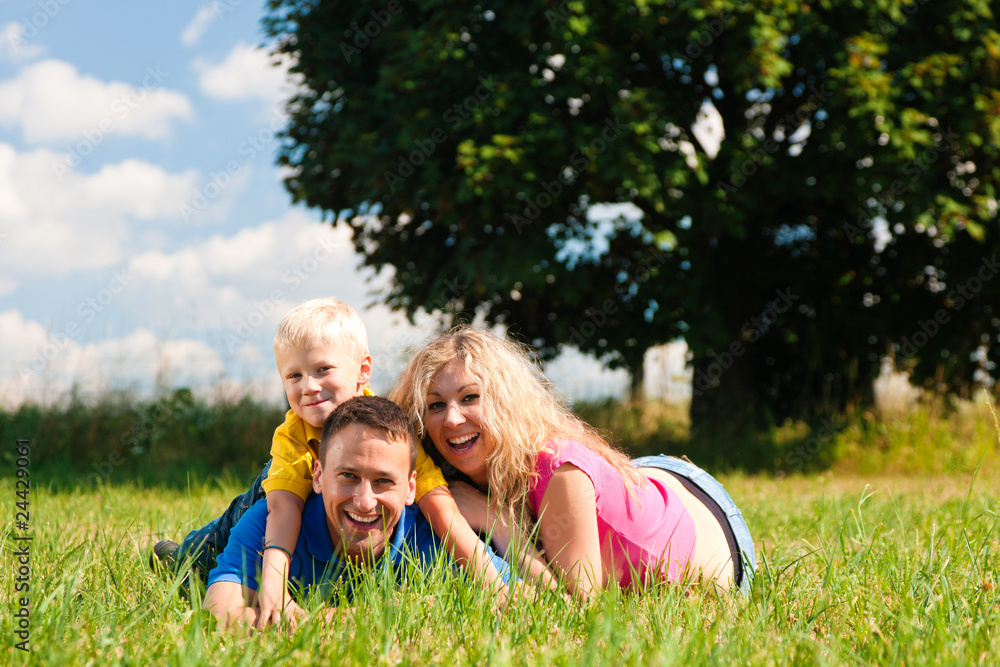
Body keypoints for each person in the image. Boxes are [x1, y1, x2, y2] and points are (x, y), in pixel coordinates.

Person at [152, 299, 508, 625]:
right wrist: (275, 588)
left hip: (321, 504)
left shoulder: (390, 434)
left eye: (322, 369)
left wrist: (490, 580)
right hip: (269, 499)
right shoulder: (291, 437)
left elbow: (440, 506)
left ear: (362, 370)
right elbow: (281, 510)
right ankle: (180, 556)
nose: (308, 386)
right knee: (209, 548)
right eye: (294, 375)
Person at [388, 326, 756, 600]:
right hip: (643, 483)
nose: (451, 419)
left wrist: (497, 522)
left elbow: (579, 607)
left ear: (505, 402)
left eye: (470, 397)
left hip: (720, 536)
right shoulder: (454, 470)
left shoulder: (557, 469)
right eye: (436, 405)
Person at [203, 395, 511, 629]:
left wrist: (303, 622)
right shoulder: (270, 524)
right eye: (348, 476)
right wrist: (373, 618)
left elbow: (522, 598)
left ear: (410, 488)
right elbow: (217, 616)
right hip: (228, 525)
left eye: (383, 481)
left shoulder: (433, 538)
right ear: (319, 476)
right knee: (195, 556)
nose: (365, 501)